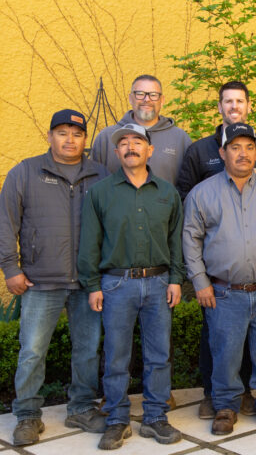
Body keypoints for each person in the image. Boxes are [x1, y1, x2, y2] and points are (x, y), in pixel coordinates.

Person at [176, 81, 256, 419]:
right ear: (222, 152)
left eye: (249, 147)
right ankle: (225, 407)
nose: (243, 153)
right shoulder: (202, 193)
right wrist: (199, 282)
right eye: (235, 147)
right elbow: (190, 239)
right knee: (224, 354)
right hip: (223, 291)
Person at [0, 110, 108, 446]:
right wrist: (11, 268)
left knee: (88, 349)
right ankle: (28, 415)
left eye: (76, 134)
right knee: (32, 350)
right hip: (40, 281)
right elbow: (6, 222)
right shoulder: (26, 172)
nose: (69, 140)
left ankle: (80, 407)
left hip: (87, 282)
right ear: (50, 137)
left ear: (85, 140)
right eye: (62, 133)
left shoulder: (100, 175)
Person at [78, 123, 185, 450]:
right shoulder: (100, 193)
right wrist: (93, 284)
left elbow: (175, 241)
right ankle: (117, 419)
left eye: (137, 141)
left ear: (149, 150)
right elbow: (90, 243)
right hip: (116, 284)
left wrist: (176, 279)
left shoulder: (168, 193)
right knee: (115, 356)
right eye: (123, 143)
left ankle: (155, 417)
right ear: (116, 152)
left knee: (158, 355)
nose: (130, 147)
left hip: (158, 283)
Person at [176, 80, 256, 199]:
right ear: (219, 107)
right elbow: (185, 197)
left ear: (249, 107)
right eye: (229, 101)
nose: (234, 106)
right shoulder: (198, 151)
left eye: (240, 101)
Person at [90, 74, 191, 185]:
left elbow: (186, 186)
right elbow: (94, 183)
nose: (146, 99)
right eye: (140, 94)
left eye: (153, 95)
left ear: (162, 100)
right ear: (130, 98)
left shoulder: (180, 139)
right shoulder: (107, 138)